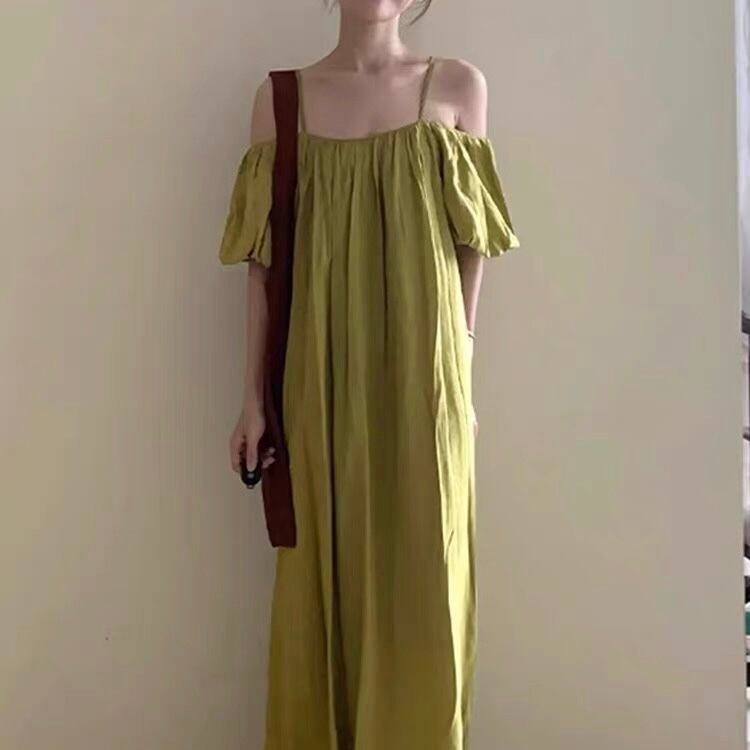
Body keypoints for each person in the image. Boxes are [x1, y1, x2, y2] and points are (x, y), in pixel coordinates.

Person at [218, 1, 520, 747]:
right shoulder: (281, 101)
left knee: (427, 573)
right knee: (321, 574)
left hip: (427, 375)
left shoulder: (457, 87)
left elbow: (471, 247)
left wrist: (461, 359)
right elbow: (262, 266)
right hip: (315, 372)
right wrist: (252, 398)